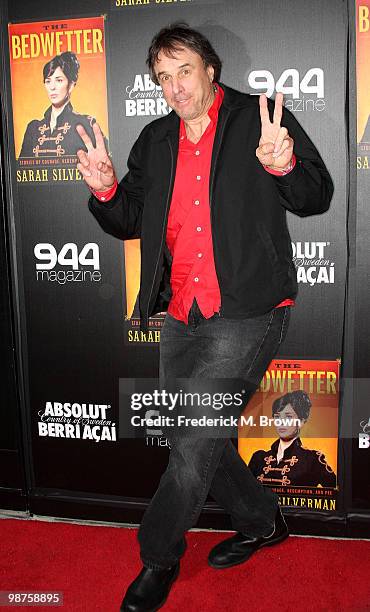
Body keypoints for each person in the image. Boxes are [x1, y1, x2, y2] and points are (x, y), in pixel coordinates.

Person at [76, 23, 334, 612]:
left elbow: (316, 194)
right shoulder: (156, 138)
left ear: (210, 68)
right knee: (192, 434)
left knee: (193, 445)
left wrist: (283, 164)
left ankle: (158, 559)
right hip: (181, 310)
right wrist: (109, 190)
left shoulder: (259, 117)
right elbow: (128, 221)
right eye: (163, 78)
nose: (175, 87)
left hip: (247, 311)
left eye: (184, 70)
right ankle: (261, 521)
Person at [249, 390, 336, 487]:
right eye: (277, 417)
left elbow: (336, 492)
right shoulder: (258, 458)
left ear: (301, 422)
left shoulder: (312, 460)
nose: (281, 422)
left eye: (288, 417)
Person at [19, 51, 98, 158]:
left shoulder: (86, 124)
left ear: (71, 85)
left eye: (59, 80)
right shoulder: (33, 129)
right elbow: (22, 171)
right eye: (48, 81)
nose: (52, 87)